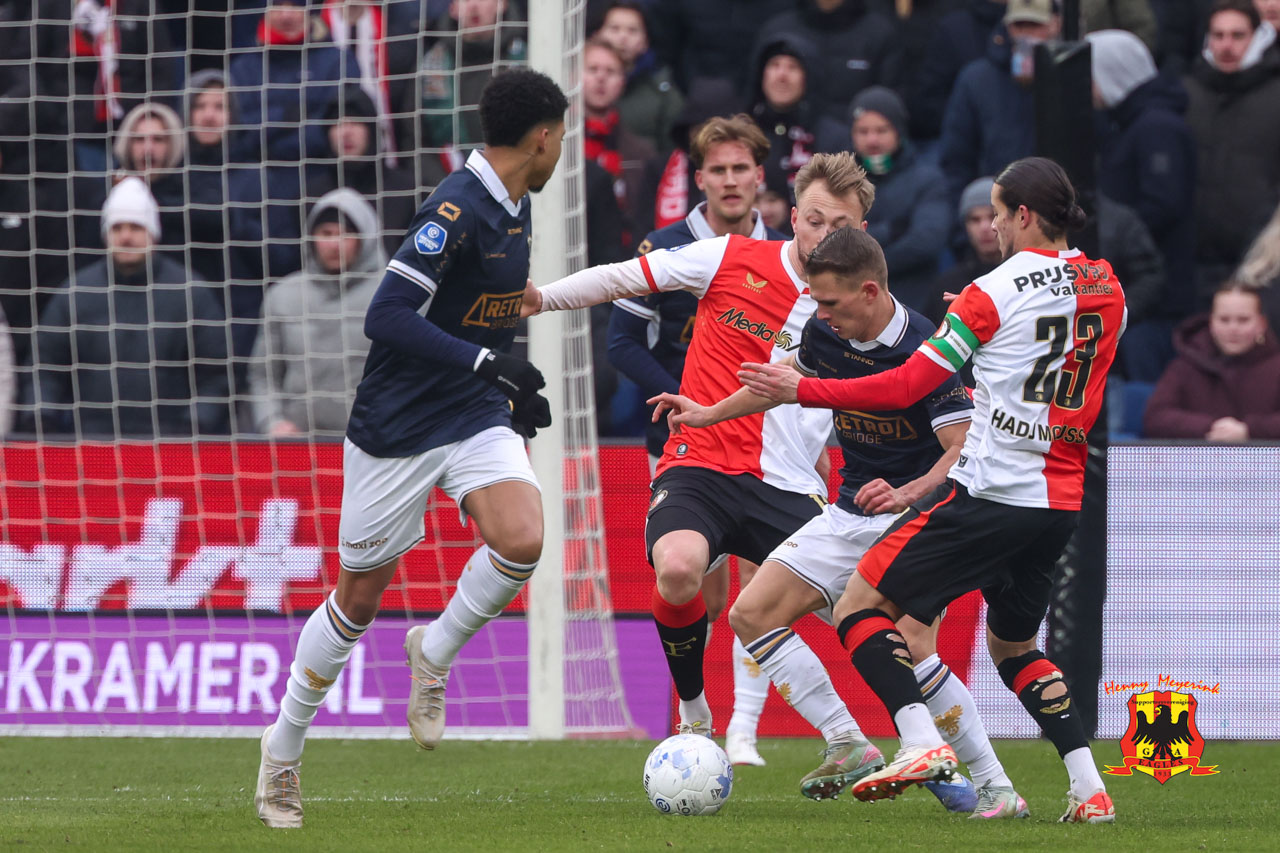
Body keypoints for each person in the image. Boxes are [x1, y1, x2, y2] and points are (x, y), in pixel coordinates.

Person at [737, 157, 1124, 823]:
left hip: (990, 491)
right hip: (1059, 501)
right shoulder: (1107, 284)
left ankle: (920, 744)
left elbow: (906, 386)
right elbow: (1047, 346)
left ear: (1024, 215)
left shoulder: (990, 291)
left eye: (998, 214)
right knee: (1015, 649)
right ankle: (1089, 789)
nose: (993, 227)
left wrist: (805, 389)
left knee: (861, 606)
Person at [255, 69, 567, 830]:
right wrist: (489, 362)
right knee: (357, 602)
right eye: (562, 136)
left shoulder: (518, 203)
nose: (563, 148)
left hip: (471, 410)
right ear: (542, 137)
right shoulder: (453, 207)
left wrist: (506, 387)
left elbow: (482, 310)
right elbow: (387, 315)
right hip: (395, 427)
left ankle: (435, 649)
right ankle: (282, 748)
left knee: (523, 538)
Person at [652, 227, 1026, 818]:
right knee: (752, 613)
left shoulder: (926, 348)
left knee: (913, 647)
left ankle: (995, 785)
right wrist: (707, 415)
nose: (819, 313)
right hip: (850, 512)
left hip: (915, 520)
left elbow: (961, 448)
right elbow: (778, 387)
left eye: (828, 302)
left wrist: (906, 493)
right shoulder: (824, 332)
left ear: (869, 291)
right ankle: (848, 741)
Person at [525, 152, 869, 748]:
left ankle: (909, 748)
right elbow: (623, 277)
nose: (824, 236)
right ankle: (694, 712)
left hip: (788, 483)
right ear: (793, 218)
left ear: (861, 232)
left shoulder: (864, 306)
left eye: (839, 226)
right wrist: (542, 297)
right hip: (700, 464)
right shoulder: (730, 256)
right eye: (815, 221)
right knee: (679, 569)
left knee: (874, 611)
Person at [606, 114, 788, 767]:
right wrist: (691, 403)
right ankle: (694, 710)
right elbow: (621, 342)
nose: (731, 180)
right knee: (697, 585)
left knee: (765, 583)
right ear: (699, 178)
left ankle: (744, 729)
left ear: (760, 176)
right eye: (718, 170)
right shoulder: (664, 247)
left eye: (742, 168)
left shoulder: (789, 252)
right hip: (687, 437)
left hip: (772, 439)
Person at [33, 177, 232, 439]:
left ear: (153, 233)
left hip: (171, 445)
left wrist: (194, 424)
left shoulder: (190, 292)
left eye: (136, 227)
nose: (126, 237)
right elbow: (46, 368)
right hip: (91, 444)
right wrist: (43, 418)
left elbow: (216, 374)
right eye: (117, 228)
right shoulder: (75, 292)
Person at [249, 189, 386, 437]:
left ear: (365, 237)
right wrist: (272, 422)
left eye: (345, 234)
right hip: (298, 443)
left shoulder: (392, 295)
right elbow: (263, 374)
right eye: (326, 233)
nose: (334, 244)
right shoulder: (283, 295)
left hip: (372, 442)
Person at [1184, 0, 1280, 304]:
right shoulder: (1187, 94)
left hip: (1260, 256)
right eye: (1218, 35)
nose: (1226, 45)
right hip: (1193, 256)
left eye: (1238, 35)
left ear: (1257, 37)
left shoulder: (1275, 96)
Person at [940, 0, 1060, 207]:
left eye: (1035, 25)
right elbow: (957, 157)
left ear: (1055, 25)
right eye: (1018, 25)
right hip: (995, 206)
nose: (1026, 34)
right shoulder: (976, 80)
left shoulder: (1068, 77)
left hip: (1054, 203)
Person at [849, 87, 951, 320]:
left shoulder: (927, 179)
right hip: (854, 310)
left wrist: (860, 260)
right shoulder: (841, 184)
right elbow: (832, 239)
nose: (872, 140)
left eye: (881, 130)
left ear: (898, 131)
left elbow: (927, 241)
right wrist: (892, 230)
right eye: (863, 131)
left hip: (915, 306)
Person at [1143, 282, 1280, 439]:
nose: (1233, 328)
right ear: (1211, 322)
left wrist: (1249, 430)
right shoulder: (1185, 366)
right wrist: (1211, 427)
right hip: (1198, 455)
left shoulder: (1276, 367)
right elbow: (1155, 417)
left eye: (1243, 320)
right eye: (1224, 320)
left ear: (1261, 324)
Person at [755, 0, 903, 123]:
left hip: (857, 142)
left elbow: (889, 107)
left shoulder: (879, 34)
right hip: (787, 137)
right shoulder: (778, 30)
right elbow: (753, 95)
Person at [411, 0, 527, 150]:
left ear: (502, 4)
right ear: (453, 8)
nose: (473, 5)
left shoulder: (527, 58)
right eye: (465, 0)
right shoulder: (428, 67)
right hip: (450, 164)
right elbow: (413, 140)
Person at [746, 34, 847, 199]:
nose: (782, 76)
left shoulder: (833, 140)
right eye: (774, 65)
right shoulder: (742, 133)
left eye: (792, 67)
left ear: (808, 77)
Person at [582, 37, 658, 254]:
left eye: (611, 71)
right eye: (593, 69)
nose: (601, 78)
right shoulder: (558, 146)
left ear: (623, 81)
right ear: (573, 76)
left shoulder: (642, 152)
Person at [595, 1, 685, 156]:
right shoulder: (579, 83)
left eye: (632, 30)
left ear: (645, 40)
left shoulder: (663, 92)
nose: (623, 37)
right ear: (598, 33)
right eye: (614, 28)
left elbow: (671, 153)